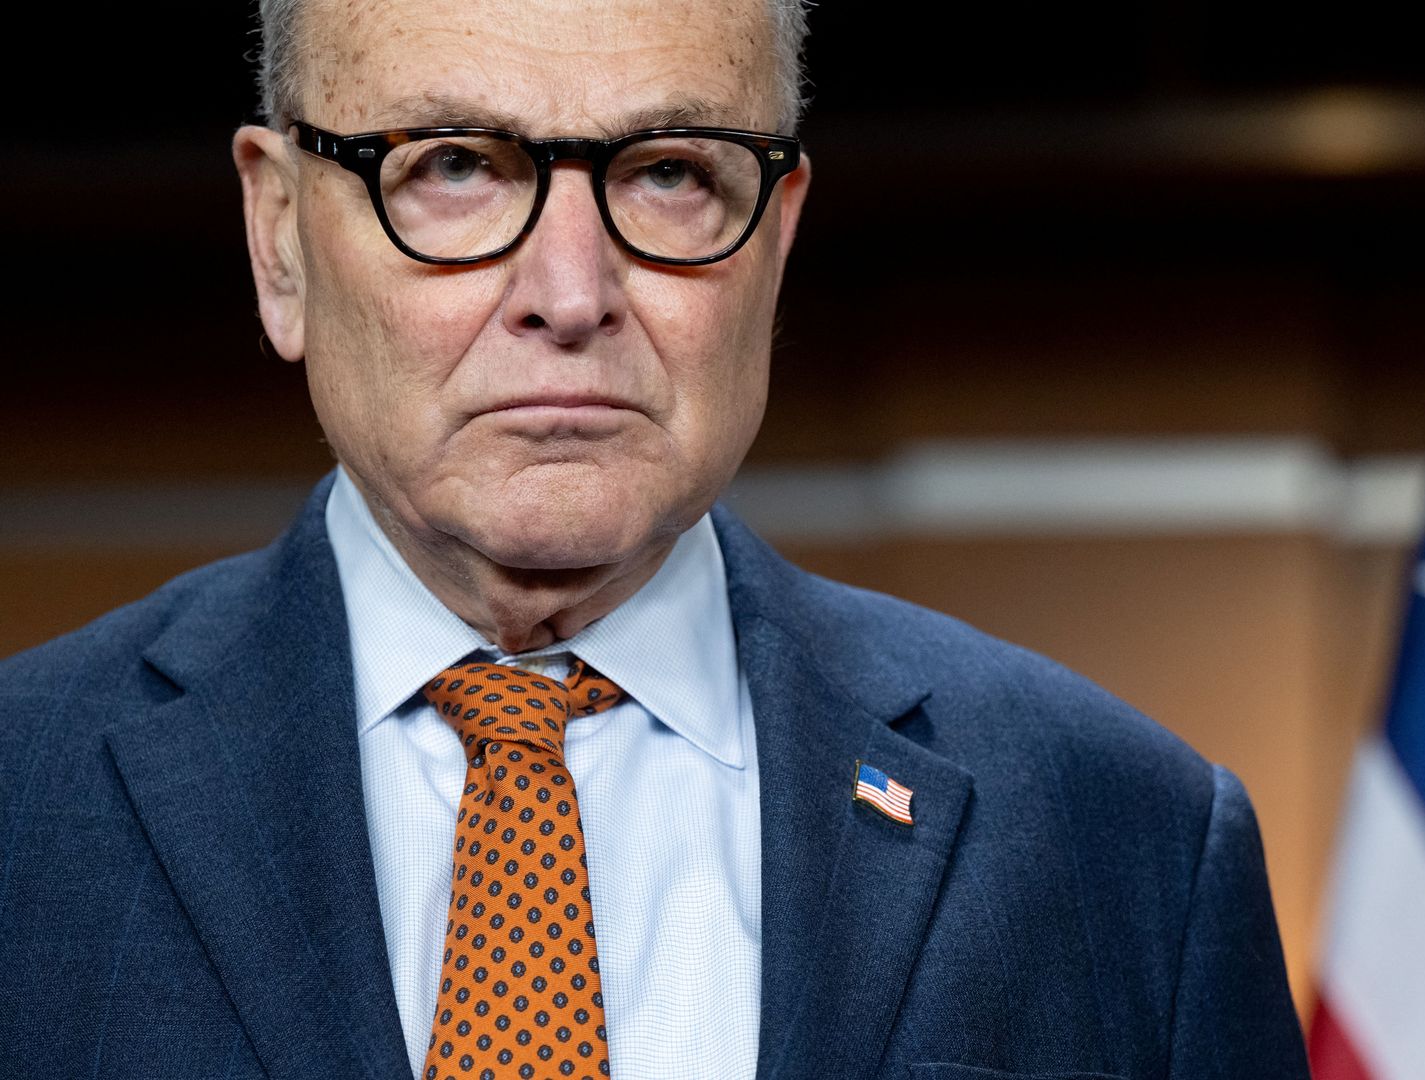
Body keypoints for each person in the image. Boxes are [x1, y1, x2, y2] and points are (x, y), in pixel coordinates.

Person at [0, 1, 1310, 1077]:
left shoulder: (1121, 842)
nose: (571, 296)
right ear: (280, 238)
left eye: (671, 173)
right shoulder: (23, 805)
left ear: (777, 239)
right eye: (454, 165)